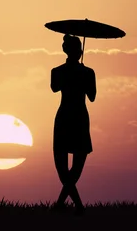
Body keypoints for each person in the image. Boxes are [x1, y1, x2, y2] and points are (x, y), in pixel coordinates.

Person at [50, 34, 96, 216]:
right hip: (73, 118)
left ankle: (64, 205)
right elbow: (54, 87)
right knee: (65, 166)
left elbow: (91, 96)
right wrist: (79, 75)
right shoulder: (61, 71)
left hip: (71, 118)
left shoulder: (85, 72)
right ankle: (77, 207)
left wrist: (82, 76)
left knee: (72, 166)